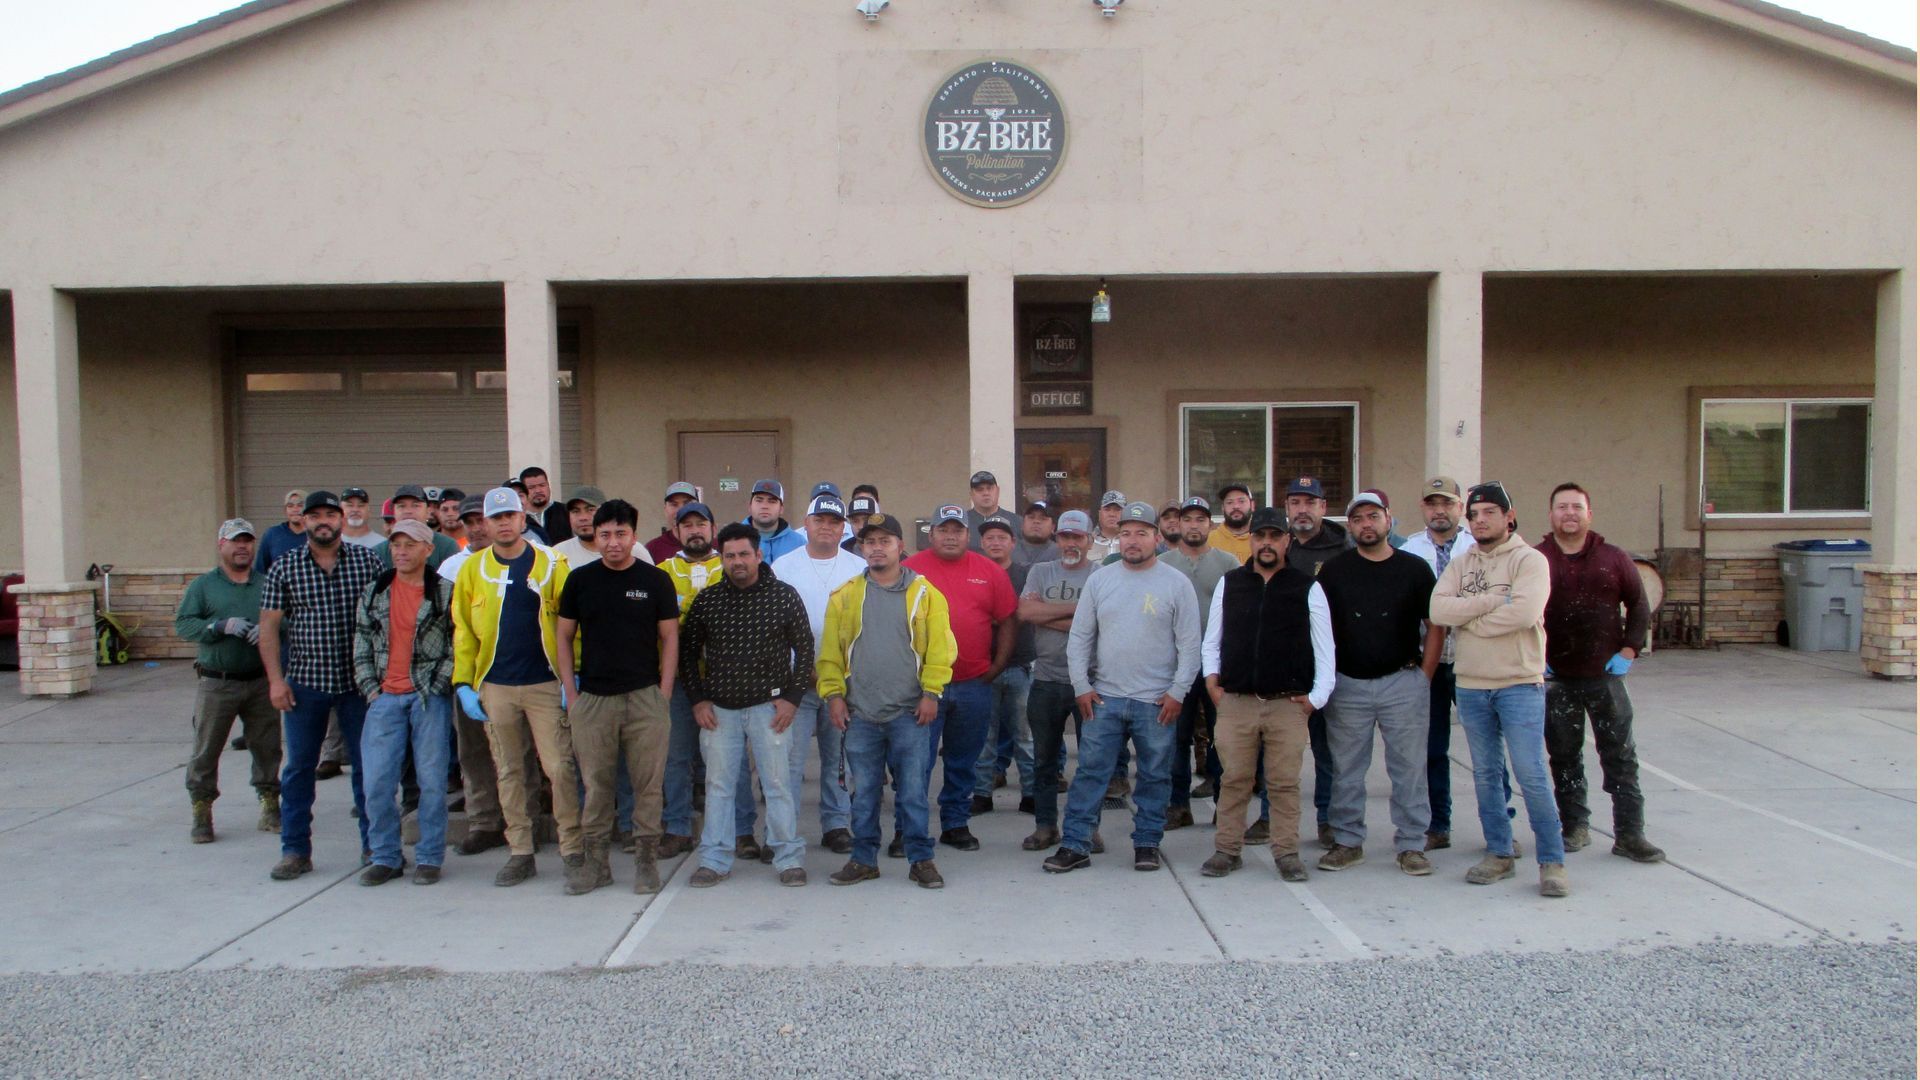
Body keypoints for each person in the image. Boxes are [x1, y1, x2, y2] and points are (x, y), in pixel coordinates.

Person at [1043, 502, 1201, 874]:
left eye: (1141, 533)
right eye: (1126, 532)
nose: (1132, 540)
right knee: (1091, 775)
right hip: (1104, 699)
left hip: (1156, 701)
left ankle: (1147, 843)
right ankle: (1076, 843)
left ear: (1157, 537)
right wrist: (1081, 686)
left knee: (1154, 776)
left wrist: (1178, 691)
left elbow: (1190, 645)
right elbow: (1081, 636)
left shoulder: (1177, 584)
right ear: (1118, 537)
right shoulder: (1101, 580)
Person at [1430, 481, 1569, 898]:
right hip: (1471, 685)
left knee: (1531, 773)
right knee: (1487, 774)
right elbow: (1438, 609)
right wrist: (1494, 602)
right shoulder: (1461, 563)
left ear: (1509, 516)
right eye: (1474, 514)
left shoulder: (1531, 561)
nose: (1480, 520)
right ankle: (1499, 852)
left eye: (1490, 512)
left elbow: (1525, 613)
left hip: (1518, 683)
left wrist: (1469, 618)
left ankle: (1552, 861)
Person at [451, 486, 582, 889]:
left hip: (544, 683)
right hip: (496, 686)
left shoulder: (551, 564)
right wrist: (463, 684)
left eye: (510, 516)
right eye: (496, 518)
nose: (504, 524)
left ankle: (573, 848)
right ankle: (520, 851)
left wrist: (571, 673)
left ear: (523, 519)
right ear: (485, 524)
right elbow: (464, 633)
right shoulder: (472, 571)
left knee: (558, 768)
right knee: (508, 770)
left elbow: (571, 624)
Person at [819, 511, 956, 889]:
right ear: (861, 548)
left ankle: (920, 859)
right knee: (863, 794)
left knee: (912, 793)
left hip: (910, 714)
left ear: (900, 546)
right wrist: (833, 695)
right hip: (861, 714)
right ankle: (864, 859)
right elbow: (830, 653)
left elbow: (941, 652)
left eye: (884, 541)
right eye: (869, 542)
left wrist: (932, 694)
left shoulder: (927, 595)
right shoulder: (845, 596)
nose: (876, 548)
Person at [1199, 507, 1334, 880]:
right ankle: (1227, 850)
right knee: (1234, 780)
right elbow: (1213, 639)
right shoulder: (1231, 583)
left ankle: (1287, 853)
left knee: (1283, 783)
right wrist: (1212, 680)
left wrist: (1316, 698)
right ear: (1252, 541)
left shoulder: (1307, 586)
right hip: (1237, 701)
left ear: (1287, 541)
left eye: (1275, 537)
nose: (1268, 543)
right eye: (1261, 537)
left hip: (1287, 704)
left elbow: (1325, 650)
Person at [554, 498, 681, 895]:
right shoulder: (580, 580)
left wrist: (663, 692)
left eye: (620, 534)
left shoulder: (655, 580)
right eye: (604, 534)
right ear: (595, 535)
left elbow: (670, 637)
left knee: (648, 784)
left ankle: (646, 860)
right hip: (594, 699)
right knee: (596, 785)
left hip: (645, 698)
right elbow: (563, 635)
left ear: (634, 536)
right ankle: (596, 864)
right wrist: (572, 694)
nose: (612, 542)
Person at [257, 491, 386, 881]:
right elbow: (269, 628)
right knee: (298, 769)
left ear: (342, 520)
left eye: (331, 514)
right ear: (304, 521)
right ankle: (295, 850)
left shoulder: (366, 563)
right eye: (316, 515)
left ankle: (374, 844)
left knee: (369, 768)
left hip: (357, 685)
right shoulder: (285, 567)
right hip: (305, 683)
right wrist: (276, 681)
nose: (324, 521)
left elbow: (384, 620)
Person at [679, 523, 815, 888]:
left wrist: (792, 699)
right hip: (719, 711)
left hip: (769, 710)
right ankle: (714, 859)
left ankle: (787, 857)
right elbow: (688, 654)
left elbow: (804, 652)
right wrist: (698, 700)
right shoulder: (708, 601)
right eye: (729, 556)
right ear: (721, 558)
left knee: (777, 784)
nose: (737, 562)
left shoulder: (784, 596)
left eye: (744, 554)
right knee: (720, 786)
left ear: (758, 555)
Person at [1315, 492, 1444, 876]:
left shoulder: (1416, 569)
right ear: (1350, 527)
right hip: (1348, 685)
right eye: (1357, 519)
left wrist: (1425, 675)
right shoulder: (1335, 571)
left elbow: (1435, 624)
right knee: (1347, 769)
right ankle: (1347, 841)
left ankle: (1411, 844)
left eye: (1373, 516)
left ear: (1389, 520)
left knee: (1408, 768)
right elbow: (1319, 629)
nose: (1366, 524)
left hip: (1402, 682)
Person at [1538, 483, 1663, 863]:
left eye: (1577, 507)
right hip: (1556, 676)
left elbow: (1639, 604)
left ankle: (1630, 834)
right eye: (1562, 507)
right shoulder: (1535, 558)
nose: (1570, 513)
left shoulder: (1613, 557)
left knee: (1621, 757)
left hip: (1605, 677)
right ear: (1551, 515)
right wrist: (1534, 657)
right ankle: (1574, 827)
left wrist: (1629, 649)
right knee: (1564, 758)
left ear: (1589, 514)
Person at [904, 504, 1016, 853]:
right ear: (931, 533)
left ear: (968, 535)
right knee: (916, 761)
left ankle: (955, 823)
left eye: (957, 530)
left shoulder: (988, 571)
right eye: (943, 529)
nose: (950, 536)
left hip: (973, 684)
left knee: (963, 760)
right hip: (923, 688)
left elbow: (1009, 619)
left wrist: (997, 665)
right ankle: (910, 828)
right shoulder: (909, 569)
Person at [350, 520, 456, 886]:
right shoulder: (376, 591)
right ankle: (385, 856)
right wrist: (370, 688)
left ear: (428, 549)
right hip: (384, 698)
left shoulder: (444, 592)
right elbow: (362, 640)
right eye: (396, 544)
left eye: (410, 544)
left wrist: (440, 682)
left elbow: (457, 643)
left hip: (428, 697)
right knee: (377, 782)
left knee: (431, 782)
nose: (401, 551)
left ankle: (429, 857)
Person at [769, 492, 868, 854]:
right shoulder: (783, 565)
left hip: (842, 684)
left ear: (843, 528)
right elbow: (772, 629)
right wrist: (801, 675)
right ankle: (783, 830)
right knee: (789, 763)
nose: (826, 527)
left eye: (834, 522)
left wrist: (839, 678)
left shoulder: (858, 568)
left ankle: (836, 824)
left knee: (838, 759)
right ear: (806, 524)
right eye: (819, 520)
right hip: (795, 684)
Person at [176, 518, 280, 844]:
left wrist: (265, 631)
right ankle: (201, 808)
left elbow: (287, 621)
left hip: (260, 680)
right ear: (222, 544)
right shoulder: (204, 586)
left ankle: (269, 803)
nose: (242, 547)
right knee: (207, 748)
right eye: (235, 541)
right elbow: (184, 625)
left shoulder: (267, 584)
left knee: (267, 747)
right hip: (217, 682)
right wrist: (217, 627)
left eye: (247, 541)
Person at [1018, 511, 1105, 853]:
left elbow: (1100, 623)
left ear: (1089, 541)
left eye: (1078, 537)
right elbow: (1024, 613)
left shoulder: (1101, 576)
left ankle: (1088, 827)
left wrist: (1049, 610)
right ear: (1057, 539)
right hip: (1046, 679)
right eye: (1065, 537)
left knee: (1092, 761)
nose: (1071, 543)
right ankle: (1045, 826)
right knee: (1044, 760)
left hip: (1091, 681)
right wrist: (1080, 611)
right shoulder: (1040, 572)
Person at [656, 502, 740, 857]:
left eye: (700, 524)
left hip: (724, 681)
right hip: (676, 681)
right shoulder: (661, 572)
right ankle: (677, 827)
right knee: (676, 757)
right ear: (676, 531)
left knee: (727, 760)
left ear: (713, 528)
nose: (694, 530)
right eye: (685, 524)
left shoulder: (731, 567)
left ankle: (737, 829)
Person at [1400, 475, 1477, 851]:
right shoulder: (1410, 550)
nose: (1440, 511)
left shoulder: (1479, 547)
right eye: (1432, 504)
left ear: (1460, 508)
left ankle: (1500, 824)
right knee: (1431, 749)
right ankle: (1438, 824)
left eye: (1447, 503)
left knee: (1486, 748)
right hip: (1427, 662)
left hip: (1473, 662)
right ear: (1423, 509)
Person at [435, 495, 513, 856]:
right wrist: (461, 681)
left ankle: (519, 820)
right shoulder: (451, 568)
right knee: (473, 751)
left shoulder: (522, 558)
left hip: (514, 674)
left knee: (517, 752)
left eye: (483, 519)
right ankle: (484, 821)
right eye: (470, 522)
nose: (477, 527)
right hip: (470, 675)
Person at [1160, 496, 1239, 831]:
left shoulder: (1228, 562)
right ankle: (1178, 805)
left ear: (1211, 525)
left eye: (1200, 519)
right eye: (1187, 519)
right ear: (1178, 525)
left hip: (1218, 664)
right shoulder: (1164, 564)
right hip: (1177, 664)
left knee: (1224, 737)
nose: (1194, 525)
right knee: (1176, 739)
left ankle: (1225, 805)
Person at [1281, 476, 1350, 849]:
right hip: (1283, 665)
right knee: (1275, 752)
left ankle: (1328, 819)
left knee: (1327, 749)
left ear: (1324, 507)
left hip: (1327, 664)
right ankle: (1268, 817)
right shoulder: (1277, 544)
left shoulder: (1342, 548)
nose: (1302, 510)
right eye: (1295, 503)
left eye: (1310, 502)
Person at [972, 518, 1037, 815]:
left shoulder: (1026, 575)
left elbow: (1024, 612)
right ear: (982, 543)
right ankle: (982, 794)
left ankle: (1031, 793)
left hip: (1019, 666)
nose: (995, 542)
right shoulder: (973, 574)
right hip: (982, 669)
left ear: (1013, 543)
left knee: (1025, 736)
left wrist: (999, 615)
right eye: (989, 538)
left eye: (1002, 537)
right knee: (984, 736)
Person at [380, 485, 460, 573]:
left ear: (427, 510)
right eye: (402, 506)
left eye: (415, 505)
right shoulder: (379, 551)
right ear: (394, 512)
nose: (408, 511)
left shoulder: (447, 546)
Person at [555, 485, 631, 569]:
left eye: (590, 510)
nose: (583, 517)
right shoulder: (558, 554)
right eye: (575, 511)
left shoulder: (631, 550)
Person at [742, 479, 804, 563]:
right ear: (749, 506)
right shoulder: (733, 539)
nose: (764, 506)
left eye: (772, 501)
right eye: (759, 500)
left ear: (781, 509)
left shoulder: (798, 543)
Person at [964, 470, 1019, 553]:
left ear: (997, 491)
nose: (986, 493)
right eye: (980, 489)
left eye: (989, 488)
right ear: (971, 494)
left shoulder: (1017, 522)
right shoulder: (962, 522)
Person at [254, 489, 308, 571]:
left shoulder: (316, 535)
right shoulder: (272, 534)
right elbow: (260, 570)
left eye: (300, 505)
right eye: (290, 506)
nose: (295, 509)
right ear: (285, 510)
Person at [646, 482, 700, 564]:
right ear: (665, 510)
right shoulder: (652, 549)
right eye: (674, 504)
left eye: (687, 503)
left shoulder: (716, 546)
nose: (680, 510)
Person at [1208, 482, 1256, 562]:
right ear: (1223, 507)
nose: (1236, 506)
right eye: (1230, 502)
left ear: (1252, 505)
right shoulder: (1210, 541)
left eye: (1241, 501)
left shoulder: (1260, 539)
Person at [519, 466, 566, 546]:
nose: (538, 491)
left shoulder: (565, 511)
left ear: (548, 486)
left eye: (542, 485)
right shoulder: (518, 518)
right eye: (531, 487)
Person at [1014, 501, 1059, 566]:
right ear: (1022, 525)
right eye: (1031, 517)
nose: (1036, 521)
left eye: (1043, 518)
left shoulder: (1060, 553)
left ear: (1053, 527)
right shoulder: (1008, 549)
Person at [1089, 490, 1127, 563]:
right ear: (1100, 513)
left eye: (1117, 510)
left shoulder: (1131, 542)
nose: (1112, 514)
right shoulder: (1088, 542)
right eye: (1107, 510)